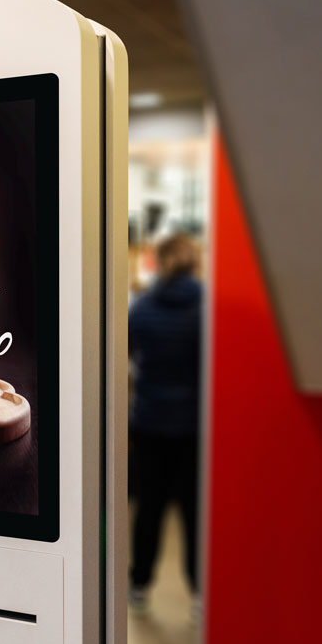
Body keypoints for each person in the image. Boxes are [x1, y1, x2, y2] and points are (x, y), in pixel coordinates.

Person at [128, 233, 203, 614]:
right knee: (194, 511)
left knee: (149, 507)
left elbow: (123, 356)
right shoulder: (207, 308)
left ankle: (139, 585)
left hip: (150, 421)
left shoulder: (142, 307)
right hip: (194, 426)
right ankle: (198, 593)